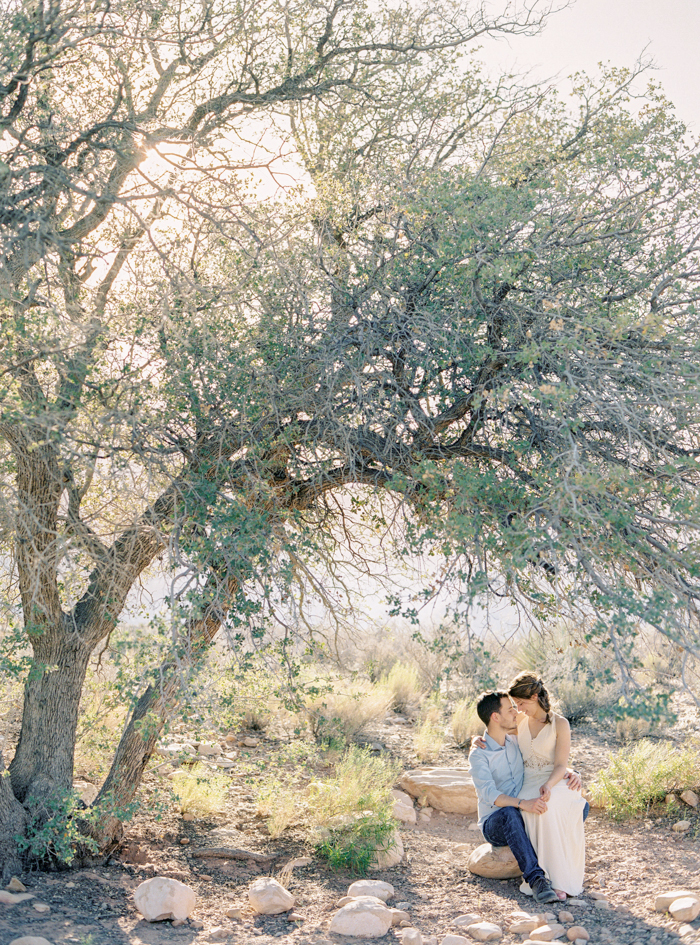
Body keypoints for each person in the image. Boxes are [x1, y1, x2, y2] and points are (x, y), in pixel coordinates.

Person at [468, 690, 585, 905]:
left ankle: (561, 869)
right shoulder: (479, 755)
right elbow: (490, 795)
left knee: (577, 806)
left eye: (516, 707)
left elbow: (540, 759)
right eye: (510, 709)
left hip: (521, 813)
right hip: (496, 823)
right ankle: (537, 879)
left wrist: (569, 771)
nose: (516, 712)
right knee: (510, 813)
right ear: (495, 717)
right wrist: (524, 804)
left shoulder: (515, 743)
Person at [507, 672, 587, 900]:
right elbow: (496, 732)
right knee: (533, 809)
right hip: (528, 780)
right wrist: (477, 740)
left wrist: (550, 785)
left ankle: (561, 880)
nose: (519, 709)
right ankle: (542, 879)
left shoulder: (560, 724)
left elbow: (561, 764)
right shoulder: (520, 720)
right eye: (516, 704)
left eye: (522, 703)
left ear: (534, 696)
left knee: (551, 805)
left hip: (554, 779)